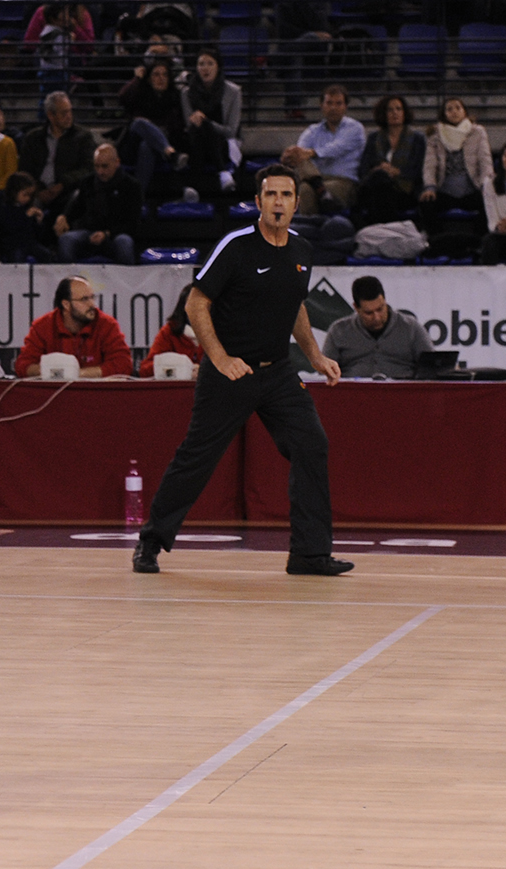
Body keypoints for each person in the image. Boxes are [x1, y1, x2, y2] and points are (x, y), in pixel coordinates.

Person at [133, 164, 351, 577]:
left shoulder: (302, 250)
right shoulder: (235, 245)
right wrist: (217, 357)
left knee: (312, 445)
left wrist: (316, 356)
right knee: (197, 458)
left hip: (279, 373)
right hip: (229, 373)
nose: (279, 203)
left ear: (296, 203)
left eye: (286, 195)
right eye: (271, 195)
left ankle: (309, 554)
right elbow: (197, 304)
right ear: (258, 202)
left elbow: (295, 307)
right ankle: (151, 542)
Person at [13, 275, 132, 377]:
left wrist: (76, 374)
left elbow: (124, 364)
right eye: (84, 299)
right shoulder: (42, 326)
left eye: (92, 297)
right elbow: (23, 365)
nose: (92, 304)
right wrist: (54, 373)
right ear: (66, 304)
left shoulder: (107, 324)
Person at [322, 275, 434, 378]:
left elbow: (432, 368)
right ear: (356, 307)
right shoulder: (339, 331)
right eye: (369, 313)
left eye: (380, 309)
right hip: (352, 395)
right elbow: (325, 372)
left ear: (385, 301)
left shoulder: (411, 328)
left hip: (403, 395)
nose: (377, 318)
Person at [283, 85, 365, 215]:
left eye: (338, 104)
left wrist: (312, 153)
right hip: (316, 179)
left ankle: (320, 192)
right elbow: (300, 153)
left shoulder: (355, 128)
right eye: (329, 103)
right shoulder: (312, 131)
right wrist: (292, 154)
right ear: (322, 105)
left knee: (311, 183)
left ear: (345, 107)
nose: (333, 108)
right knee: (304, 188)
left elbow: (337, 148)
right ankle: (309, 228)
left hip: (343, 181)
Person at [54, 143, 140, 264]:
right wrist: (63, 217)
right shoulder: (87, 182)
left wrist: (106, 234)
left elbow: (132, 223)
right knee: (66, 240)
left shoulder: (132, 186)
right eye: (96, 166)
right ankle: (70, 281)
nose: (100, 171)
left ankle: (127, 282)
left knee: (124, 242)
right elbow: (76, 207)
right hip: (89, 233)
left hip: (115, 235)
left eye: (105, 166)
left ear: (117, 162)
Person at [16, 91, 96, 218]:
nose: (69, 116)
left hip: (67, 191)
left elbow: (88, 168)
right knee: (26, 211)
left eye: (70, 111)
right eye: (64, 113)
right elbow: (25, 170)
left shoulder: (83, 137)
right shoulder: (33, 138)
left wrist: (62, 184)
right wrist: (38, 191)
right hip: (37, 192)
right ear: (50, 115)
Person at [118, 59, 189, 197]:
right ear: (149, 79)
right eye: (156, 74)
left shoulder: (174, 97)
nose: (161, 78)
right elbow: (122, 98)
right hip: (134, 145)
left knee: (147, 145)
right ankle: (171, 153)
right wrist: (137, 79)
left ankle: (138, 198)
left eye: (164, 75)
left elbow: (177, 127)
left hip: (159, 148)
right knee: (139, 124)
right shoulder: (140, 94)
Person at [420, 97, 491, 233]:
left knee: (490, 201)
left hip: (472, 189)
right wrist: (430, 187)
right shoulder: (435, 134)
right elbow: (430, 164)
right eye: (449, 109)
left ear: (464, 111)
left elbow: (485, 161)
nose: (454, 111)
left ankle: (477, 242)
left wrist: (485, 186)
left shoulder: (478, 132)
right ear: (444, 114)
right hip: (444, 190)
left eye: (458, 108)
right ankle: (437, 241)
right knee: (426, 203)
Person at [355, 95, 426, 227]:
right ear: (383, 113)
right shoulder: (373, 138)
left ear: (404, 112)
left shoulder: (417, 139)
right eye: (390, 110)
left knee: (379, 186)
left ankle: (377, 231)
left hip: (405, 190)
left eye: (398, 109)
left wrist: (396, 172)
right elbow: (363, 169)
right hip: (377, 187)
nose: (395, 113)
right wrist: (377, 170)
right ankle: (389, 232)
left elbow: (419, 170)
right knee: (379, 179)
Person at [182, 48, 242, 192]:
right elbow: (189, 125)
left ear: (218, 67)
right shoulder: (186, 92)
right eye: (201, 64)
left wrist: (207, 123)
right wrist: (202, 123)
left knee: (204, 125)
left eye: (210, 64)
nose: (205, 68)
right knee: (199, 128)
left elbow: (231, 131)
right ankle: (223, 173)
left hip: (223, 145)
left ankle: (192, 184)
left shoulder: (233, 91)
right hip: (196, 142)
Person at [138, 283, 204, 376]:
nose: (200, 311)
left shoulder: (223, 332)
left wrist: (205, 371)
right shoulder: (169, 332)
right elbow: (145, 370)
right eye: (193, 305)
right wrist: (180, 368)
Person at [0, 172, 57, 263]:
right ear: (14, 192)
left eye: (30, 195)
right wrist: (26, 217)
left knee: (48, 256)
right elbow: (8, 229)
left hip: (30, 243)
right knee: (17, 258)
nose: (28, 199)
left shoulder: (28, 207)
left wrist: (39, 222)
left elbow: (38, 235)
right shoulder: (4, 208)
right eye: (25, 195)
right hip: (12, 245)